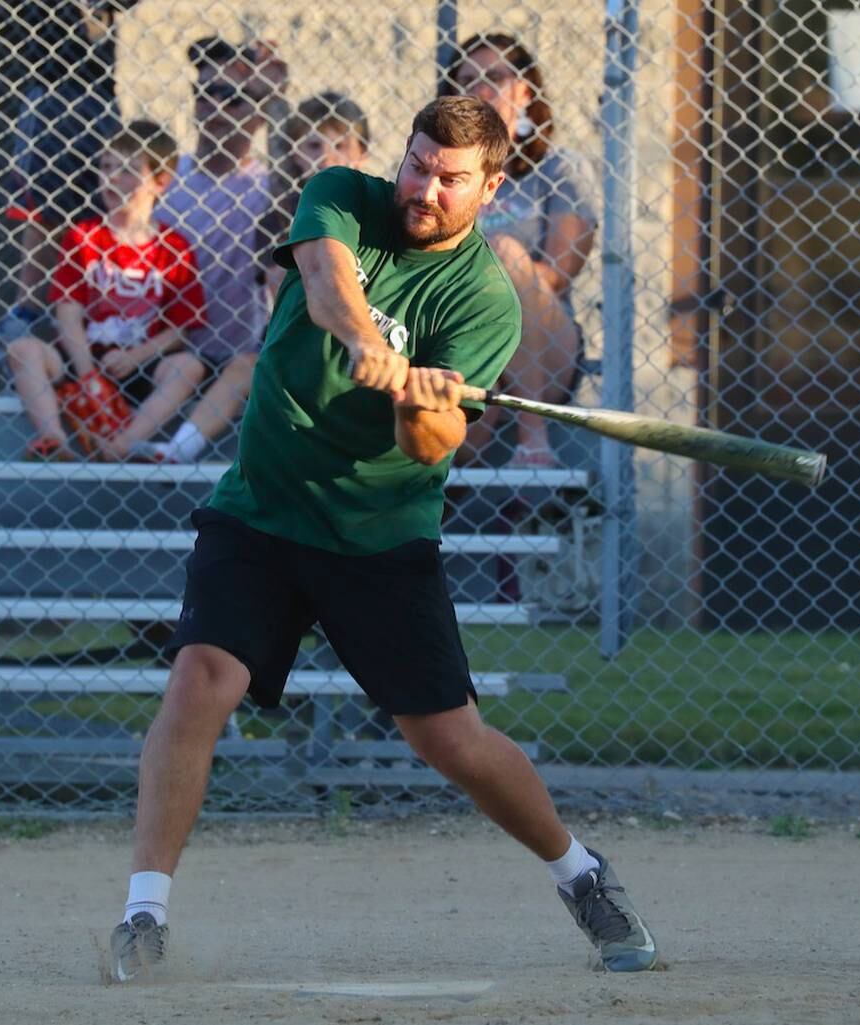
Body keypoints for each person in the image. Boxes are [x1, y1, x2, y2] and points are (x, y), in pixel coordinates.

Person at [108, 96, 659, 981]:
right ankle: (143, 914)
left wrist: (423, 403)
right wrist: (370, 343)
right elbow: (325, 285)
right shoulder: (340, 194)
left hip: (380, 534)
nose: (425, 188)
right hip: (263, 508)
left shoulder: (483, 299)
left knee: (451, 741)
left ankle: (581, 873)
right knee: (201, 676)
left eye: (450, 178)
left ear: (489, 186)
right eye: (417, 164)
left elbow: (432, 449)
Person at [136, 90, 371, 465]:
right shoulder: (280, 216)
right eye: (312, 144)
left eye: (340, 145)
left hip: (369, 334)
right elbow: (285, 294)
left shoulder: (376, 211)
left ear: (363, 155)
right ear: (295, 153)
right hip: (301, 333)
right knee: (245, 366)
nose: (325, 156)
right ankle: (177, 450)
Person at [3, 119, 207, 461]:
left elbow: (180, 329)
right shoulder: (83, 237)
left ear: (160, 182)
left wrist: (135, 357)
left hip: (139, 364)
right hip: (82, 357)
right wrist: (87, 375)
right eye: (107, 167)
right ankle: (54, 439)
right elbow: (67, 311)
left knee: (189, 366)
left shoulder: (174, 247)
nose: (112, 178)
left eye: (128, 170)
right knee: (23, 349)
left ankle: (122, 444)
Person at [125, 36, 283, 465]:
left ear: (257, 112)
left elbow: (297, 171)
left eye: (231, 96)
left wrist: (277, 98)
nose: (214, 105)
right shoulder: (163, 180)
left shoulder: (268, 187)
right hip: (163, 354)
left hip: (236, 351)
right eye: (204, 92)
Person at [447, 33, 597, 469]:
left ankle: (534, 442)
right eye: (466, 79)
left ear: (525, 90)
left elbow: (555, 275)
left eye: (493, 76)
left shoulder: (558, 170)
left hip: (543, 340)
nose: (479, 88)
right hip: (467, 334)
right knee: (467, 410)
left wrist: (488, 274)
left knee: (506, 256)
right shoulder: (445, 175)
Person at [0, 1, 143, 346]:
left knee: (106, 197)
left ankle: (95, 307)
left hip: (99, 90)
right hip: (50, 85)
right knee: (44, 207)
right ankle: (28, 306)